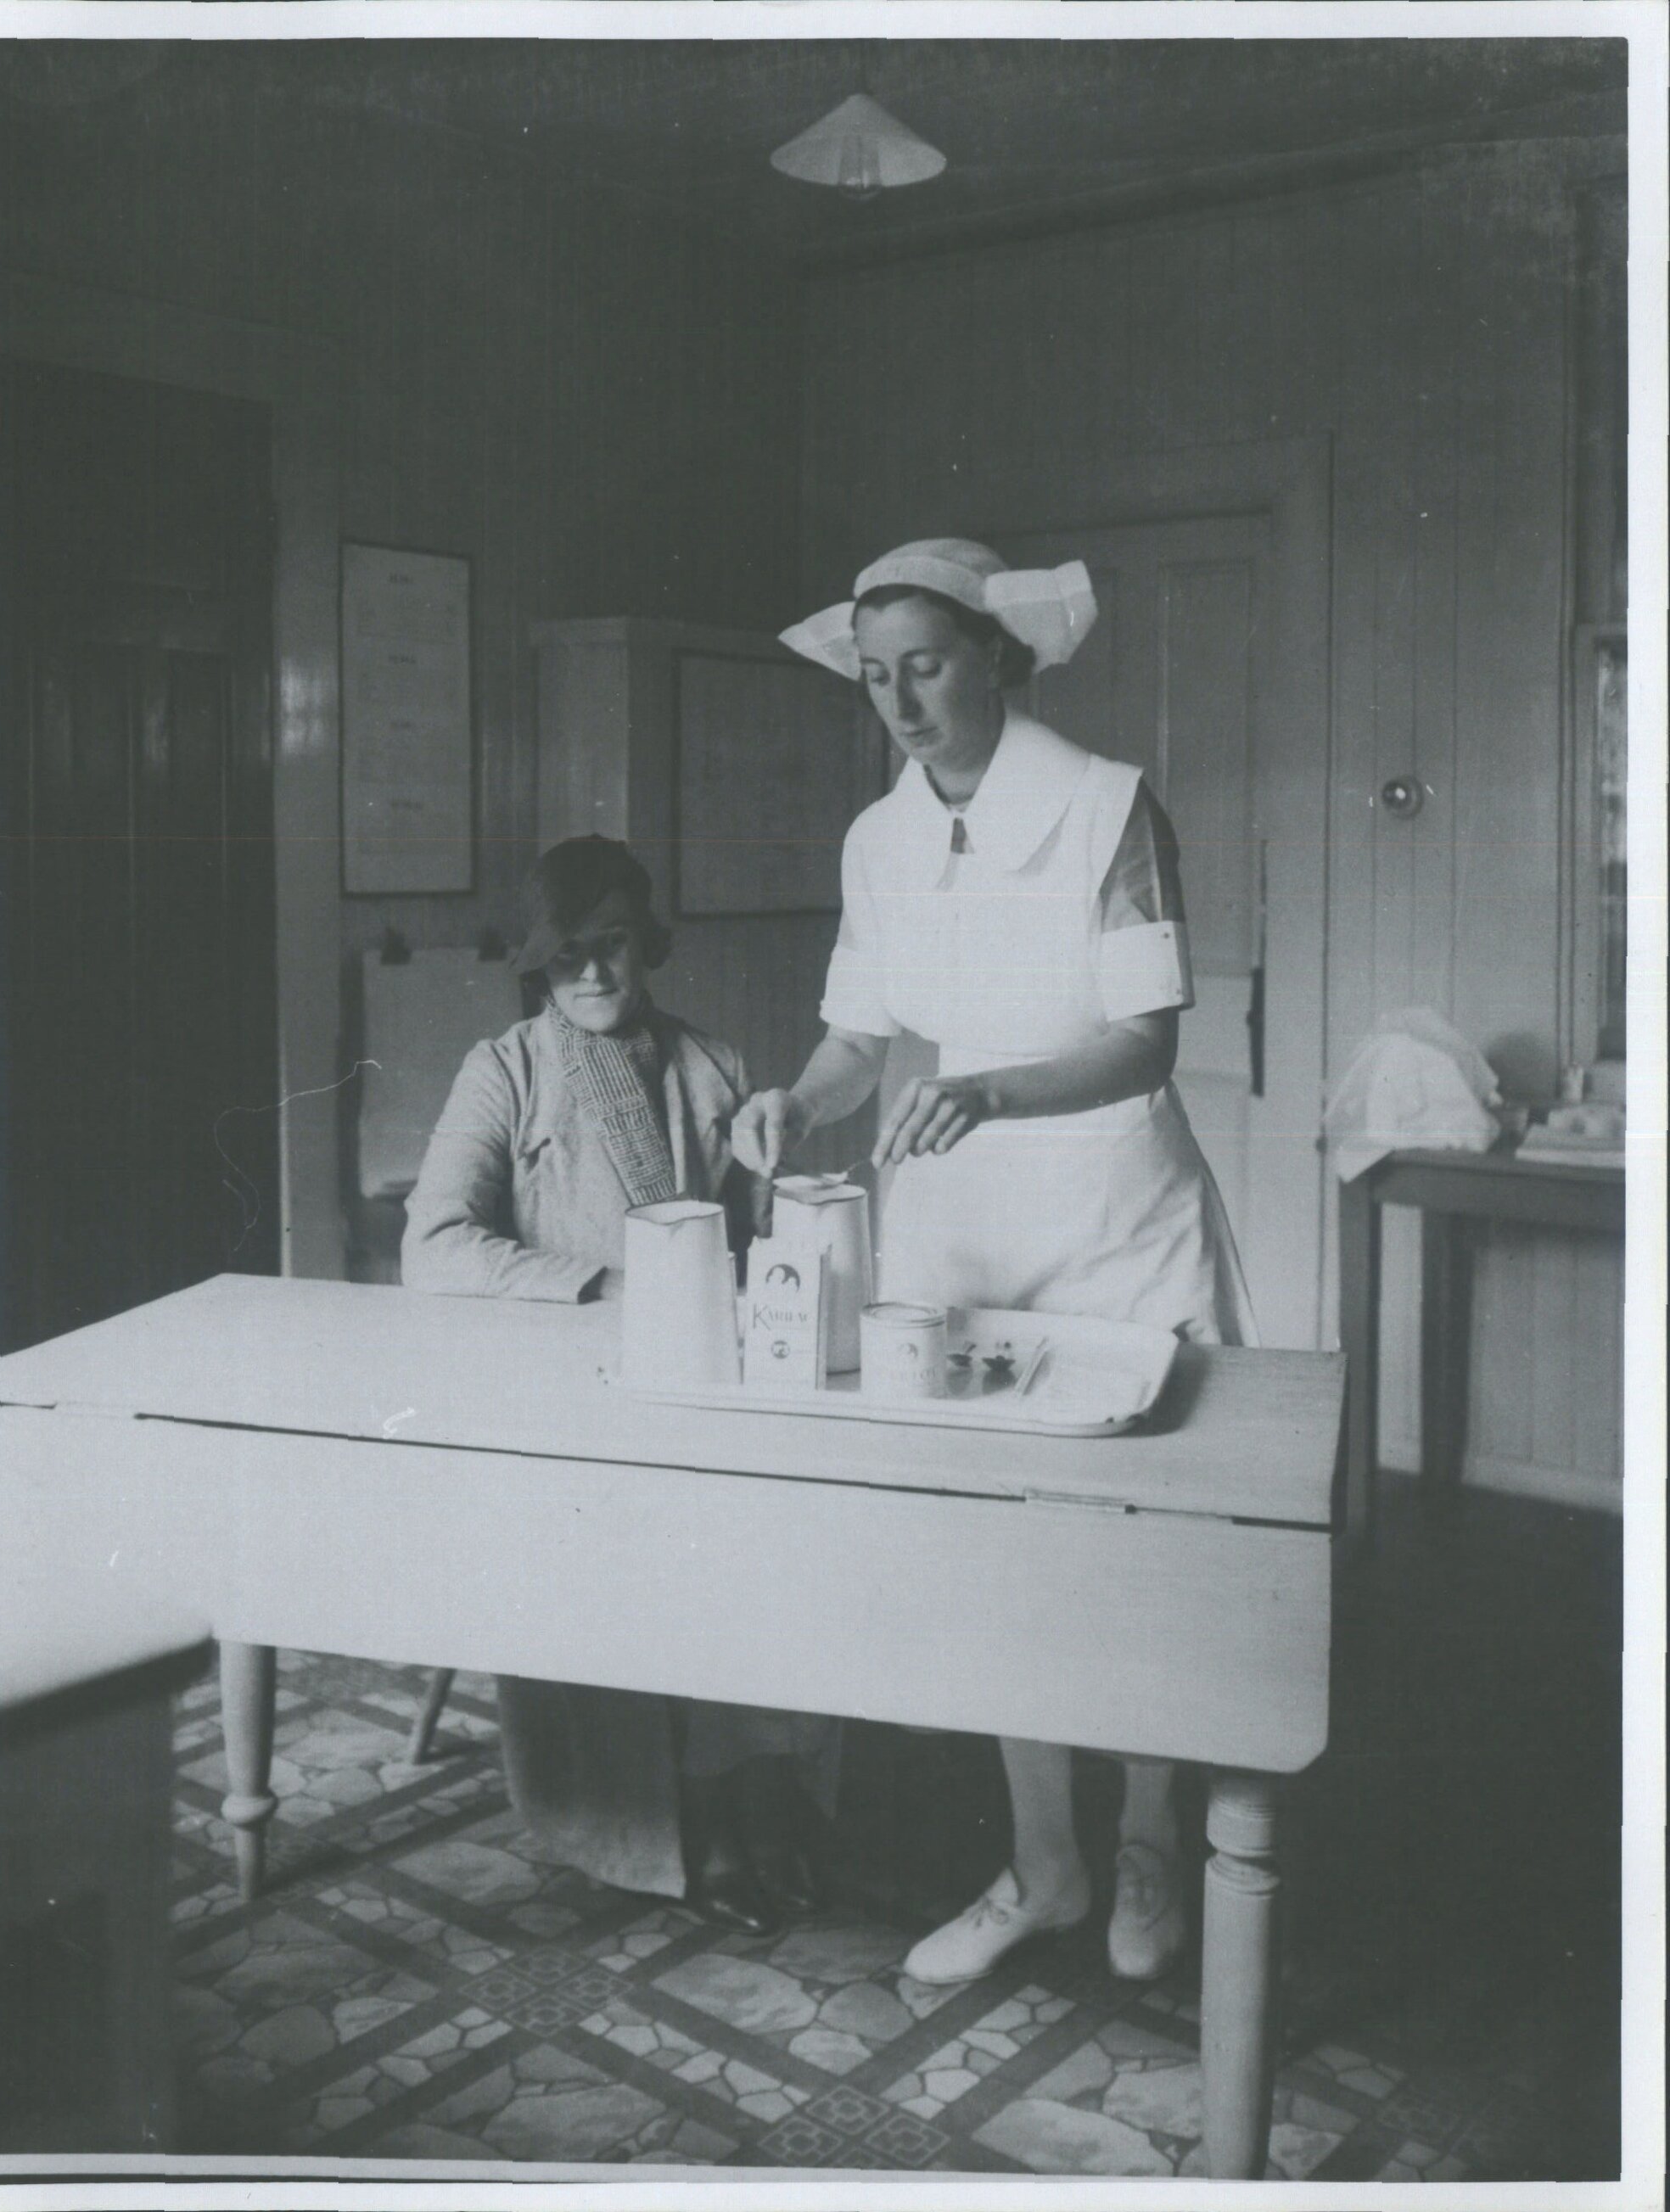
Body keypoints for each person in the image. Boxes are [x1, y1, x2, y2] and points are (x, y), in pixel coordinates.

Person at [733, 539, 1256, 1986]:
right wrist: (798, 1095)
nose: (900, 699)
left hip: (1110, 1221)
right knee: (1002, 1563)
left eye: (929, 664)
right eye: (875, 674)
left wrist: (993, 1089)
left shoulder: (1105, 808)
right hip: (959, 1232)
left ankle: (1151, 1844)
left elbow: (1146, 1037)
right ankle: (1049, 1865)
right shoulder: (879, 838)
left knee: (1138, 1559)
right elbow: (859, 1038)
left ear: (1000, 659)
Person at [402, 833, 836, 1935]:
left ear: (646, 945)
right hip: (565, 1402)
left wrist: (772, 1180)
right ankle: (669, 1830)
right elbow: (435, 1245)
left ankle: (757, 1792)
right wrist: (603, 1284)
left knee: (767, 1530)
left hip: (698, 1391)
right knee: (620, 1554)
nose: (593, 975)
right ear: (538, 970)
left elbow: (756, 1251)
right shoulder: (505, 1069)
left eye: (612, 948)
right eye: (567, 958)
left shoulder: (715, 1065)